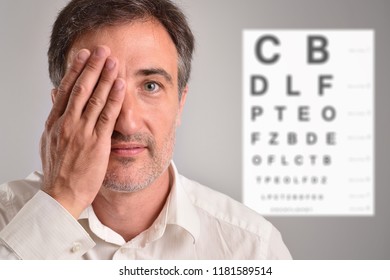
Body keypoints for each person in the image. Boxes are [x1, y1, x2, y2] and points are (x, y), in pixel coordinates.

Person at [0, 0, 291, 260]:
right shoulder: (6, 220)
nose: (127, 123)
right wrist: (62, 202)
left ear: (180, 103)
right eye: (99, 88)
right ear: (61, 110)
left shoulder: (254, 249)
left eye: (151, 86)